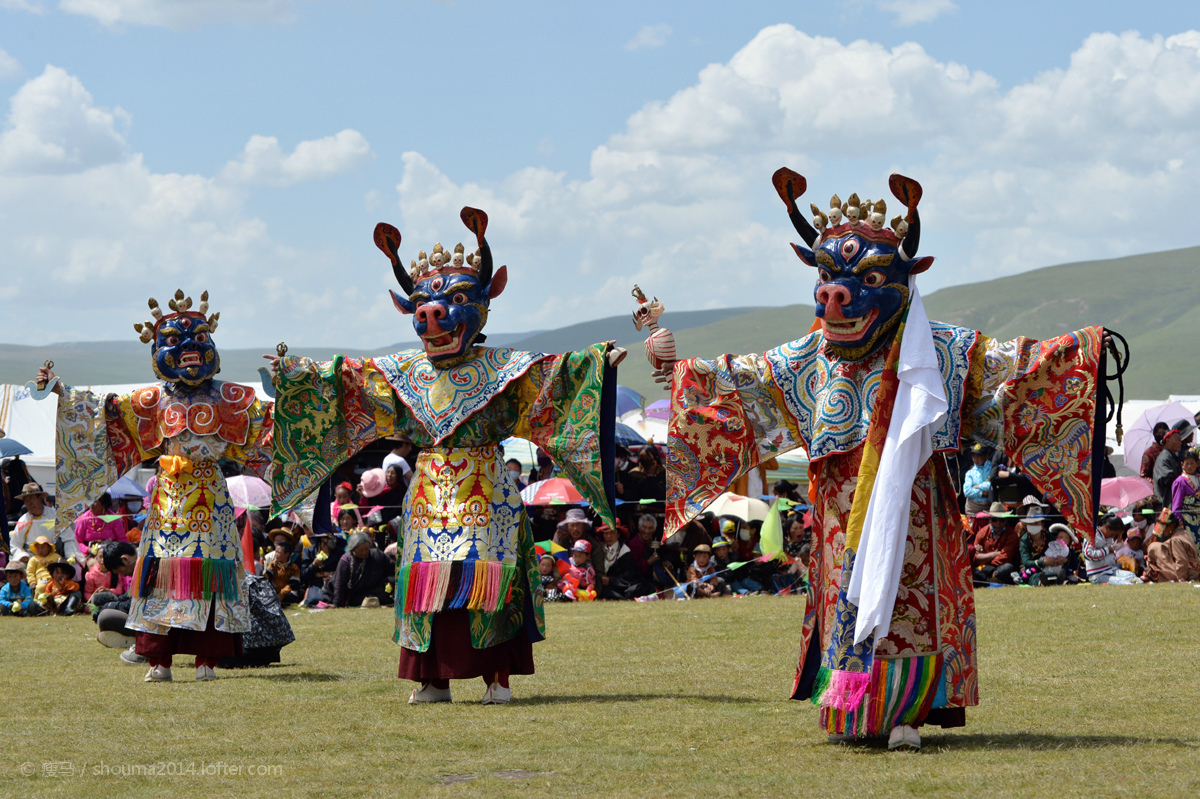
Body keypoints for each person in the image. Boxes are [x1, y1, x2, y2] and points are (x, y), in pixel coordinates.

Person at [661, 170, 1110, 749]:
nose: (837, 295)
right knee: (851, 594)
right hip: (838, 516)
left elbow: (1016, 373)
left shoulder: (943, 350)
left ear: (905, 282)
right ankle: (853, 707)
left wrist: (1084, 353)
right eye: (827, 278)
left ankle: (904, 711)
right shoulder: (808, 356)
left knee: (908, 602)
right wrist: (677, 371)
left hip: (914, 508)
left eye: (868, 278)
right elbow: (737, 382)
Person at [268, 209, 621, 706]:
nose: (434, 314)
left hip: (487, 485)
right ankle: (432, 678)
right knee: (427, 577)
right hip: (430, 490)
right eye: (423, 304)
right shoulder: (402, 370)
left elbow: (560, 376)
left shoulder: (505, 367)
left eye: (454, 301)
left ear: (483, 302)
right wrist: (297, 376)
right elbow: (344, 381)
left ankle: (496, 675)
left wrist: (598, 362)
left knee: (488, 574)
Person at [34, 290, 274, 684]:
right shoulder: (152, 399)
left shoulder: (228, 396)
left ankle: (206, 662)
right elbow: (102, 409)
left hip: (210, 494)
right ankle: (158, 661)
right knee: (161, 575)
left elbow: (269, 417)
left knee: (210, 576)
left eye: (198, 339)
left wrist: (289, 383)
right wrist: (61, 389)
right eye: (175, 341)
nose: (188, 348)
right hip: (169, 500)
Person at [331, 531, 393, 608]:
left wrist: (389, 581)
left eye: (366, 549)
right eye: (360, 550)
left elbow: (393, 571)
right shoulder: (346, 561)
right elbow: (339, 583)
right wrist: (336, 603)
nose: (364, 552)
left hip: (377, 594)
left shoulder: (377, 555)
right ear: (353, 549)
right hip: (356, 596)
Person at [10, 483, 68, 562]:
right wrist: (22, 555)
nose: (29, 503)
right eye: (26, 500)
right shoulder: (23, 520)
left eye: (31, 498)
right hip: (32, 559)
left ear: (40, 498)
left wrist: (70, 557)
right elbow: (15, 545)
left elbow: (68, 539)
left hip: (55, 557)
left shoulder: (55, 515)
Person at [1144, 511, 1200, 582]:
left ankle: (1150, 574)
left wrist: (1181, 578)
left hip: (1189, 572)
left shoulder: (1175, 539)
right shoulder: (1184, 533)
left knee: (1153, 549)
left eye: (1164, 527)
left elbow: (1182, 560)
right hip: (1195, 570)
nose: (1163, 530)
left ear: (1170, 526)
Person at [1083, 516, 1140, 584]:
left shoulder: (1108, 537)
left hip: (1111, 570)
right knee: (1124, 582)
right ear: (1107, 528)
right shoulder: (1092, 535)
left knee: (1132, 576)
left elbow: (1112, 550)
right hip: (1098, 574)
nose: (1113, 537)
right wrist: (1106, 550)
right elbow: (1087, 554)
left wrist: (1119, 543)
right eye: (1114, 534)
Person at [973, 503, 1019, 585]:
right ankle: (991, 579)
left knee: (1008, 567)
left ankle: (988, 579)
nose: (998, 523)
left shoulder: (1012, 535)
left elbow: (1004, 558)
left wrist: (984, 557)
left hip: (998, 567)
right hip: (983, 567)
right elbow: (975, 557)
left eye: (1001, 520)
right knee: (972, 569)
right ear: (990, 519)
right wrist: (995, 554)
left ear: (1006, 520)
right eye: (994, 519)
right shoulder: (982, 532)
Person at [596, 523, 643, 600]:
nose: (608, 536)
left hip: (620, 587)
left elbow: (629, 576)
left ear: (618, 535)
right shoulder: (599, 549)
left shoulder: (625, 551)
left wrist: (611, 580)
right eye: (606, 533)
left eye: (612, 533)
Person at [73, 494, 128, 558]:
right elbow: (77, 541)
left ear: (103, 504)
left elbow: (122, 540)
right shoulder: (84, 518)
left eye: (94, 501)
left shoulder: (114, 519)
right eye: (90, 501)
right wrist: (88, 550)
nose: (91, 504)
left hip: (111, 554)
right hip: (89, 555)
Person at [1154, 421, 1193, 507]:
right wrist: (1187, 479)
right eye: (1178, 440)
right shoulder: (1164, 458)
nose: (1180, 442)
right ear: (1168, 441)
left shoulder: (1172, 456)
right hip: (1167, 505)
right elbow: (1168, 478)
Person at [1170, 448, 1200, 544]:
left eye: (1192, 463)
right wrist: (1179, 525)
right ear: (1182, 464)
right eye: (1187, 463)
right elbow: (1176, 506)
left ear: (1197, 463)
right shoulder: (1180, 481)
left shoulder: (1199, 478)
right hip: (1188, 523)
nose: (1190, 466)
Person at [961, 443, 993, 516]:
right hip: (972, 510)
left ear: (986, 456)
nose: (975, 459)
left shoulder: (992, 469)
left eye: (978, 456)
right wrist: (983, 493)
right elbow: (967, 491)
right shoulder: (970, 473)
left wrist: (979, 486)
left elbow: (992, 485)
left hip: (988, 508)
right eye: (973, 456)